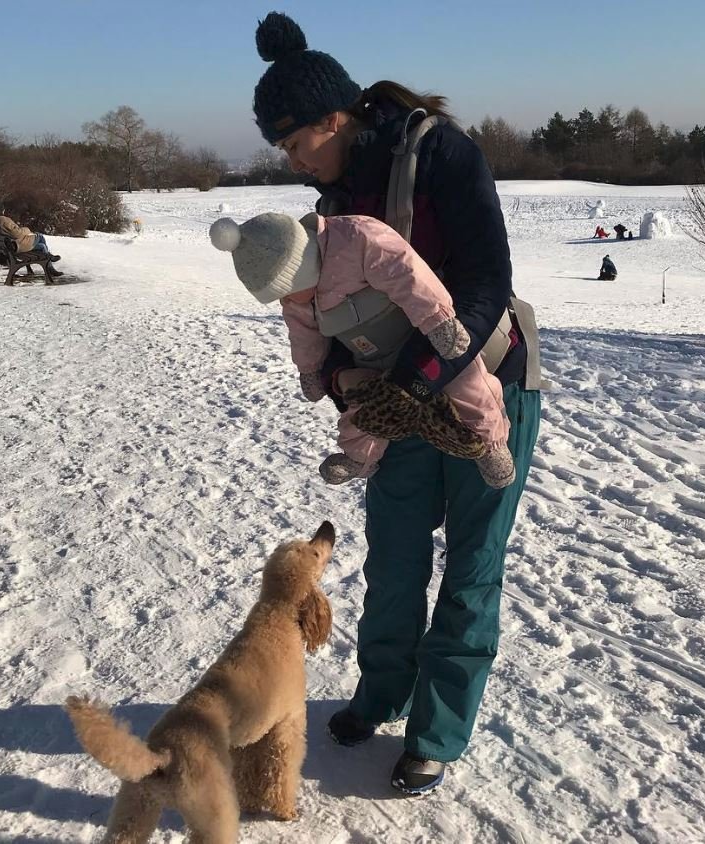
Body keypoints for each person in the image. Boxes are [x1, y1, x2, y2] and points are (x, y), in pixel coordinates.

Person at [251, 12, 541, 793]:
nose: (291, 159)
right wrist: (344, 377)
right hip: (391, 401)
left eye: (293, 142)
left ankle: (436, 733)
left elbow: (483, 281)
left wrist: (420, 376)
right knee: (395, 556)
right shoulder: (335, 190)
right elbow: (326, 299)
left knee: (470, 569)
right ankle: (380, 694)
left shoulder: (441, 151)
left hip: (489, 382)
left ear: (333, 118)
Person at [210, 212, 516, 488]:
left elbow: (406, 273)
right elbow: (303, 335)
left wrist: (436, 320)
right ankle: (358, 459)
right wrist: (310, 370)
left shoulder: (355, 240)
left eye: (288, 290)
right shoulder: (297, 299)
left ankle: (492, 445)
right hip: (372, 358)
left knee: (467, 383)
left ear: (299, 267)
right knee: (363, 405)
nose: (288, 300)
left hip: (422, 342)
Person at [0, 212, 63, 276]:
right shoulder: (3, 220)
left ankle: (49, 260)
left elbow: (9, 234)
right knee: (39, 236)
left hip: (8, 249)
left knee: (42, 246)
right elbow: (18, 234)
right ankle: (49, 260)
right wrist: (26, 229)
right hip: (16, 249)